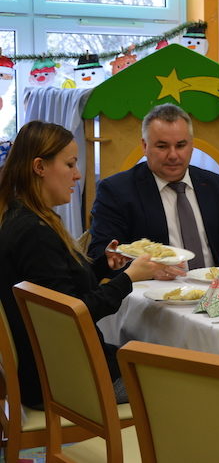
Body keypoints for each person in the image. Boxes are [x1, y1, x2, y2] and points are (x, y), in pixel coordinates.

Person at [0, 121, 167, 408]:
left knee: (154, 355)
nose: (77, 175)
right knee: (182, 378)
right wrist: (128, 279)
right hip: (65, 381)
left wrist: (104, 266)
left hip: (50, 371)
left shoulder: (21, 218)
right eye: (70, 164)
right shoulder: (34, 233)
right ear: (40, 167)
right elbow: (71, 315)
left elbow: (58, 290)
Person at [88, 103, 219, 277]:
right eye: (162, 146)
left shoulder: (215, 185)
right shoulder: (116, 191)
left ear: (191, 145)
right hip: (153, 291)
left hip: (215, 287)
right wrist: (145, 272)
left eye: (180, 145)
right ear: (144, 146)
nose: (173, 155)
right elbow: (99, 255)